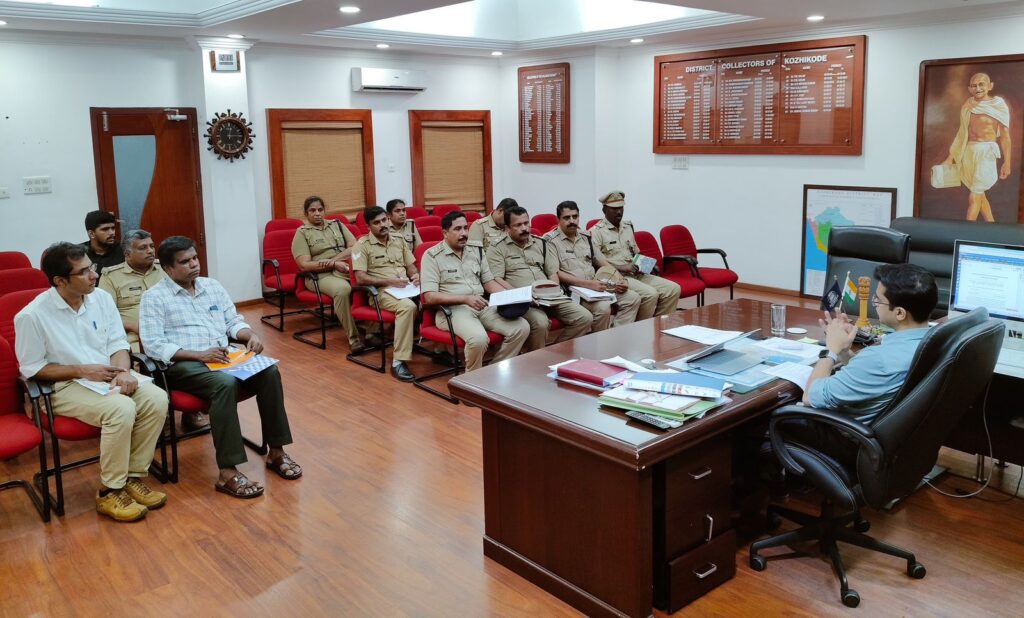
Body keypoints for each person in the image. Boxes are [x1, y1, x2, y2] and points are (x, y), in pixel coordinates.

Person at [15, 242, 168, 522]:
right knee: (121, 409)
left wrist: (123, 371)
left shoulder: (101, 299)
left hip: (107, 376)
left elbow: (117, 342)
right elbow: (32, 369)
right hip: (63, 387)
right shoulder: (31, 316)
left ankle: (132, 477)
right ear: (60, 281)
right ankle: (110, 491)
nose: (94, 275)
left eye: (91, 267)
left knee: (157, 399)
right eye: (84, 271)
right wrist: (81, 371)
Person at [140, 236, 301, 499]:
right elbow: (154, 345)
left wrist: (249, 335)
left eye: (195, 258)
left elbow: (232, 321)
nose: (194, 264)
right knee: (224, 384)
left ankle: (277, 451)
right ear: (168, 268)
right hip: (183, 364)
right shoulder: (154, 297)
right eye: (185, 261)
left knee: (269, 372)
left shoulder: (211, 286)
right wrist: (199, 355)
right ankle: (227, 471)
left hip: (223, 358)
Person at [99, 230, 210, 431]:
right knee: (143, 360)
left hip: (173, 331)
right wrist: (133, 325)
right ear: (127, 253)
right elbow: (105, 315)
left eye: (151, 246)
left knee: (194, 348)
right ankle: (153, 413)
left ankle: (192, 410)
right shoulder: (111, 277)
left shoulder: (167, 268)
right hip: (132, 338)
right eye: (143, 248)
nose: (150, 251)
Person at [804, 263, 938, 423]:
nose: (874, 304)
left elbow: (810, 396)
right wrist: (844, 351)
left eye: (878, 300)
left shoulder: (879, 359)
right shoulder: (935, 340)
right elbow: (870, 375)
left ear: (899, 313)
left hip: (840, 432)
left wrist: (830, 350)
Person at [421, 211, 530, 372]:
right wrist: (465, 299)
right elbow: (429, 297)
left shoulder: (476, 249)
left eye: (466, 228)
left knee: (521, 328)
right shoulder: (432, 256)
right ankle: (471, 380)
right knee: (478, 339)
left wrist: (512, 296)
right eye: (457, 229)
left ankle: (493, 371)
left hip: (481, 305)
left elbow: (489, 283)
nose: (464, 233)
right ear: (445, 233)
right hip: (452, 311)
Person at [487, 205, 592, 351]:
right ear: (507, 228)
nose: (524, 228)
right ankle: (535, 358)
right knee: (541, 322)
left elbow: (552, 273)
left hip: (548, 296)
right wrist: (522, 296)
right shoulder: (497, 247)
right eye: (518, 225)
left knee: (584, 317)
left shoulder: (540, 243)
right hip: (524, 301)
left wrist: (552, 292)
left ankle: (555, 353)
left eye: (526, 223)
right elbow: (497, 279)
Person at [543, 200, 641, 331]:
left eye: (575, 217)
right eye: (567, 218)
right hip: (574, 290)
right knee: (603, 307)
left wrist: (621, 279)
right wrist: (588, 284)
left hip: (596, 285)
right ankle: (599, 341)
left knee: (632, 298)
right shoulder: (550, 241)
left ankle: (617, 336)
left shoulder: (585, 237)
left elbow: (603, 262)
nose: (572, 221)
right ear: (558, 219)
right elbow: (556, 273)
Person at [351, 207, 420, 382]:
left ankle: (441, 350)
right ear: (368, 226)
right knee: (408, 307)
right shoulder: (362, 245)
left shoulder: (399, 239)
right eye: (377, 222)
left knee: (437, 294)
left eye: (384, 220)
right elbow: (360, 278)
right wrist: (388, 281)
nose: (383, 225)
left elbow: (411, 266)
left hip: (407, 287)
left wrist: (415, 276)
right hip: (382, 292)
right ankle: (398, 361)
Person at [290, 195, 366, 352]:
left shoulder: (337, 225)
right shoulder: (302, 233)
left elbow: (355, 247)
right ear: (306, 214)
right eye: (312, 210)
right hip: (319, 276)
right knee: (343, 289)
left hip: (343, 268)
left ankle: (372, 331)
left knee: (368, 281)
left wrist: (333, 261)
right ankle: (354, 338)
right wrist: (333, 264)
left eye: (320, 209)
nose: (317, 213)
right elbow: (304, 265)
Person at [590, 191, 680, 319]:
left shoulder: (627, 226)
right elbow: (597, 262)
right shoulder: (596, 232)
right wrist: (623, 267)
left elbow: (636, 252)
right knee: (650, 294)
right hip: (618, 277)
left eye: (621, 208)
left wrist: (644, 265)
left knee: (673, 289)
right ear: (604, 210)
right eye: (614, 209)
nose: (618, 212)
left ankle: (659, 325)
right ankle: (642, 327)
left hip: (636, 273)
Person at [941, 72, 1012, 222]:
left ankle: (966, 231)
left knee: (975, 196)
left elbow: (1005, 136)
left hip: (986, 153)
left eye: (981, 84)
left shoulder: (998, 105)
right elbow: (961, 134)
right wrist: (950, 158)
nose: (978, 88)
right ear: (969, 88)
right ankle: (992, 227)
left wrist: (1007, 162)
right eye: (974, 85)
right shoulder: (968, 105)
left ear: (990, 86)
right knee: (980, 196)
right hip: (968, 153)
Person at [80, 210, 125, 278]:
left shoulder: (124, 249)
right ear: (91, 234)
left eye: (113, 228)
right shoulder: (78, 254)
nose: (112, 233)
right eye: (105, 229)